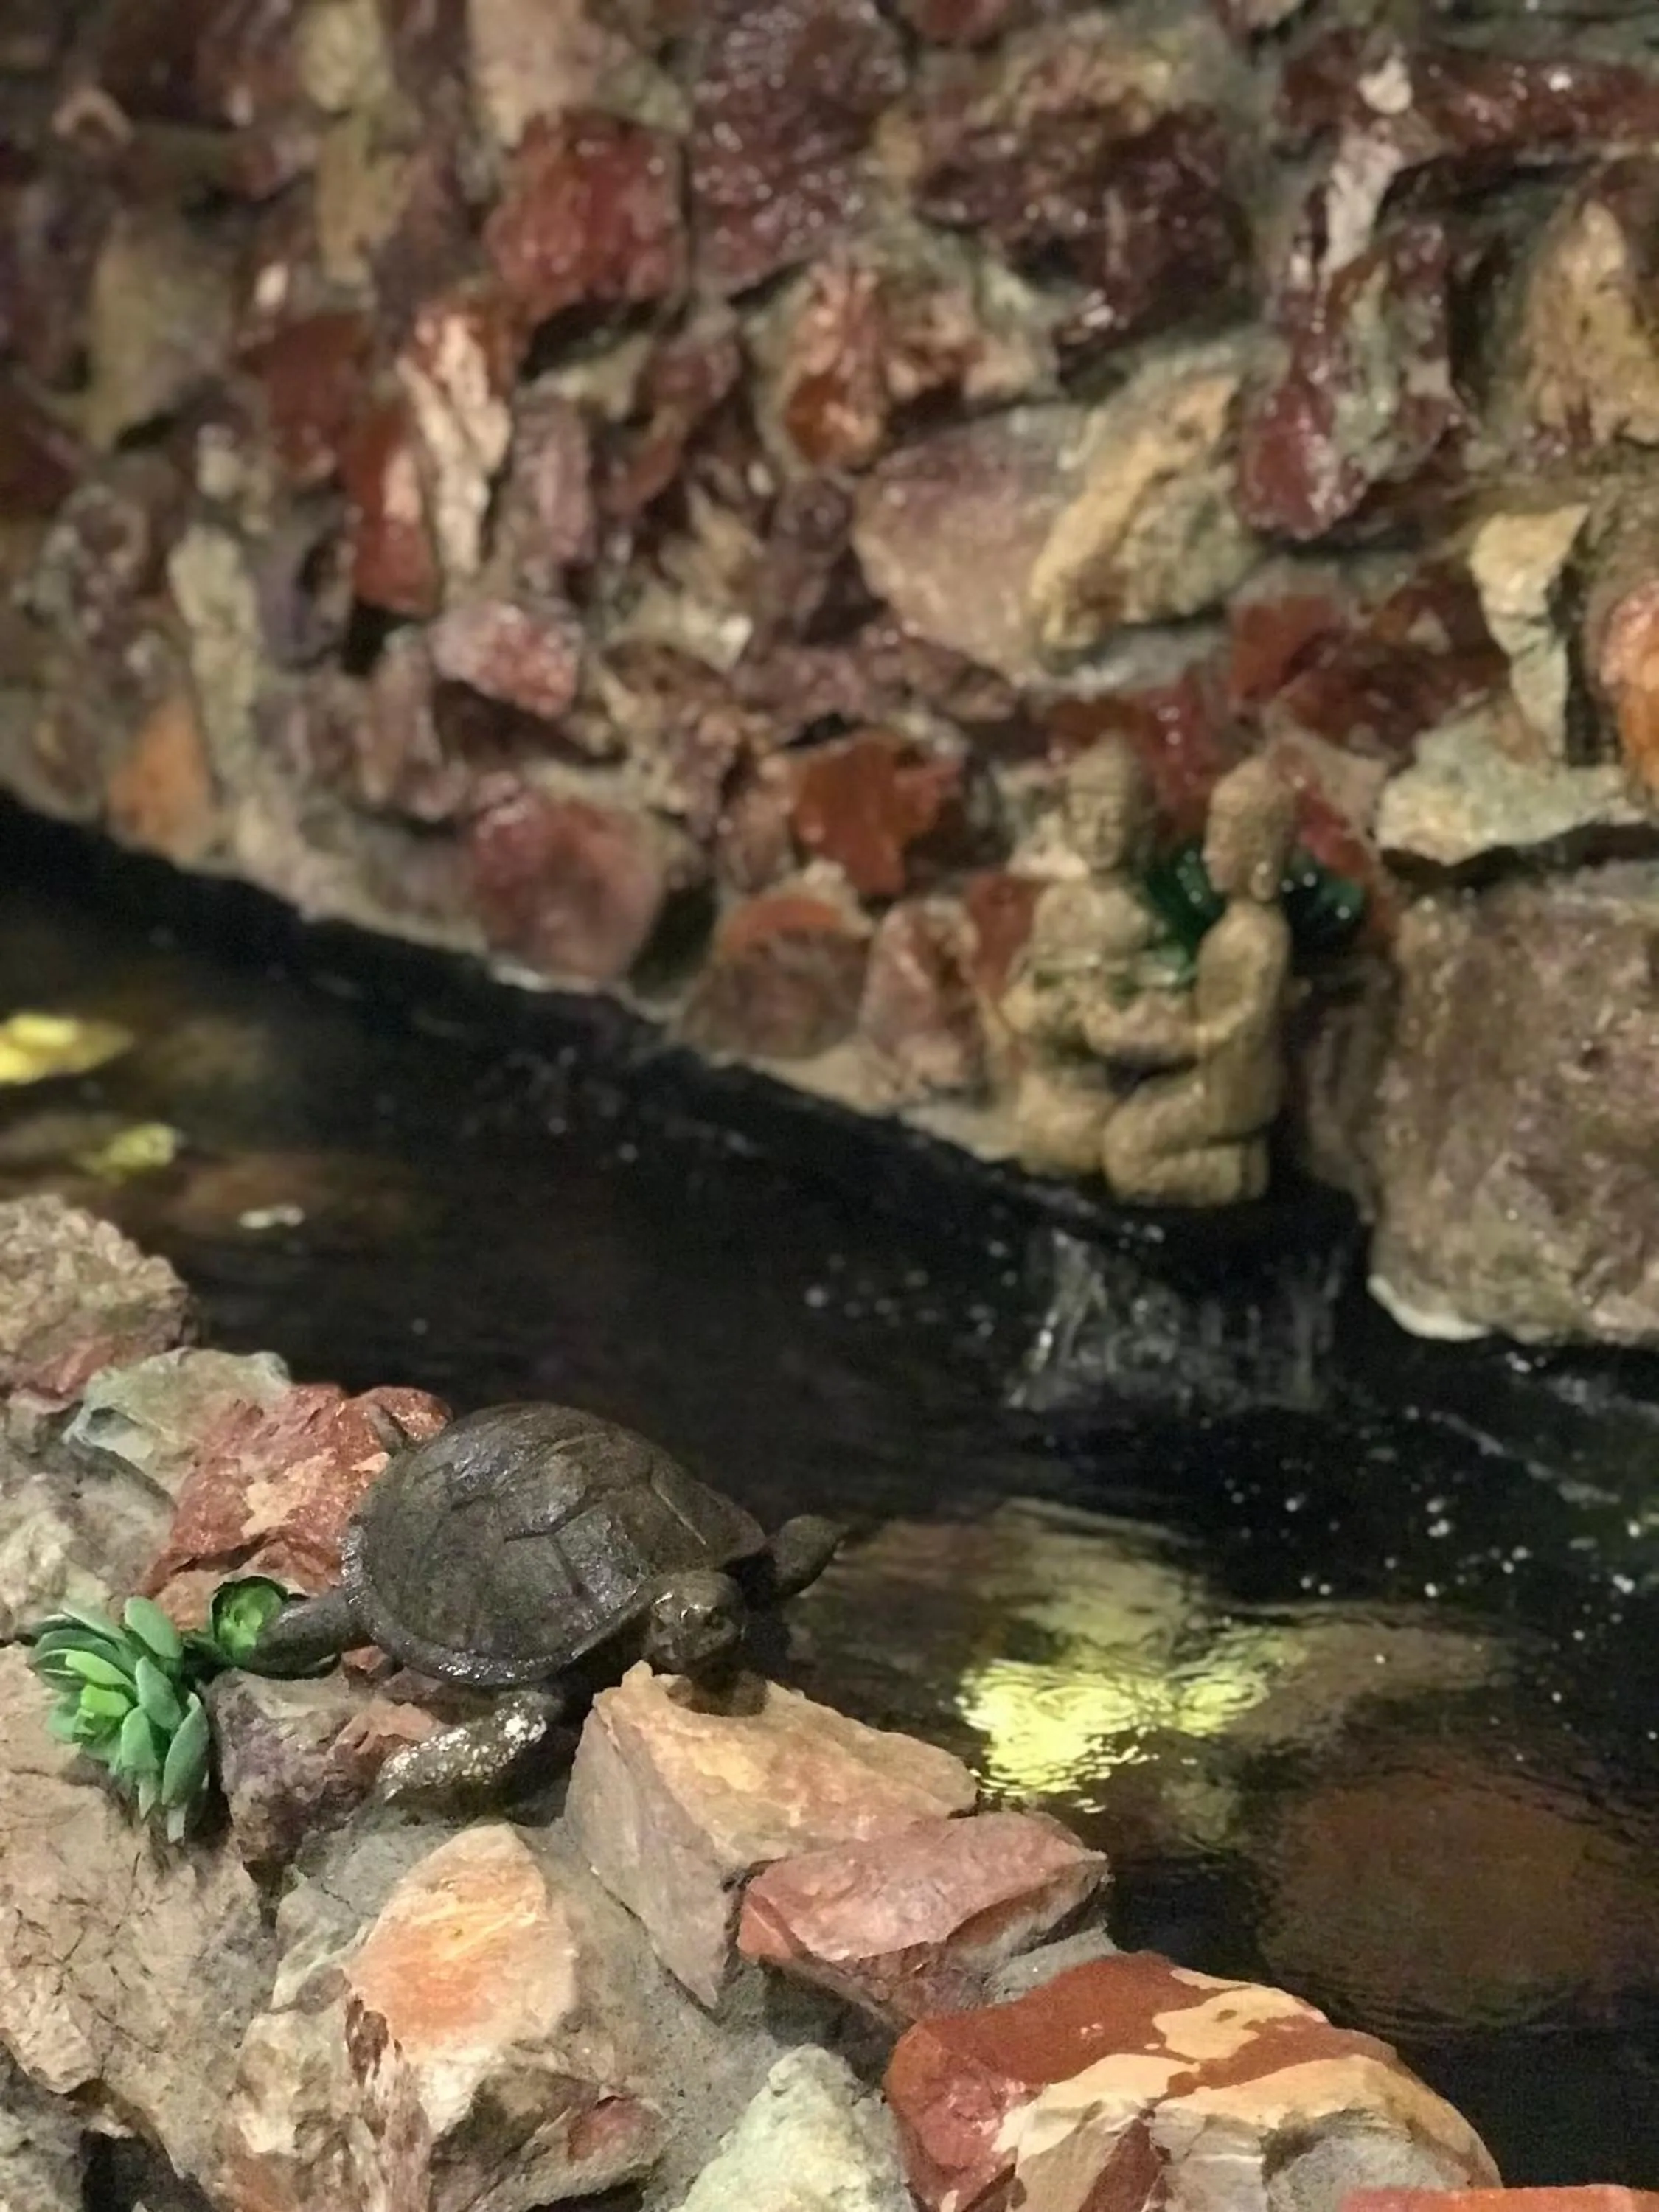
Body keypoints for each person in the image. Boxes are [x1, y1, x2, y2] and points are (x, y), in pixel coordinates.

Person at [1091, 755, 1295, 1206]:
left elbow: (1249, 1021)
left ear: (1261, 855)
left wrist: (1189, 1039)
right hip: (1207, 1076)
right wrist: (1157, 1013)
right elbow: (1206, 996)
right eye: (1211, 838)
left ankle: (1237, 1173)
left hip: (1233, 1090)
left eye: (1224, 842)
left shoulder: (1264, 940)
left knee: (1127, 1155)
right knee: (1127, 1121)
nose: (1207, 854)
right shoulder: (1229, 931)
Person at [998, 740, 1169, 1176]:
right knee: (1037, 1130)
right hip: (1056, 1072)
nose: (1097, 834)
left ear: (1142, 824)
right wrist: (1032, 1007)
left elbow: (1166, 999)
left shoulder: (1152, 915)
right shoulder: (1057, 905)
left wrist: (1116, 1020)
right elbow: (1031, 978)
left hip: (1114, 1081)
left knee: (1097, 1144)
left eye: (1112, 821)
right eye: (1085, 818)